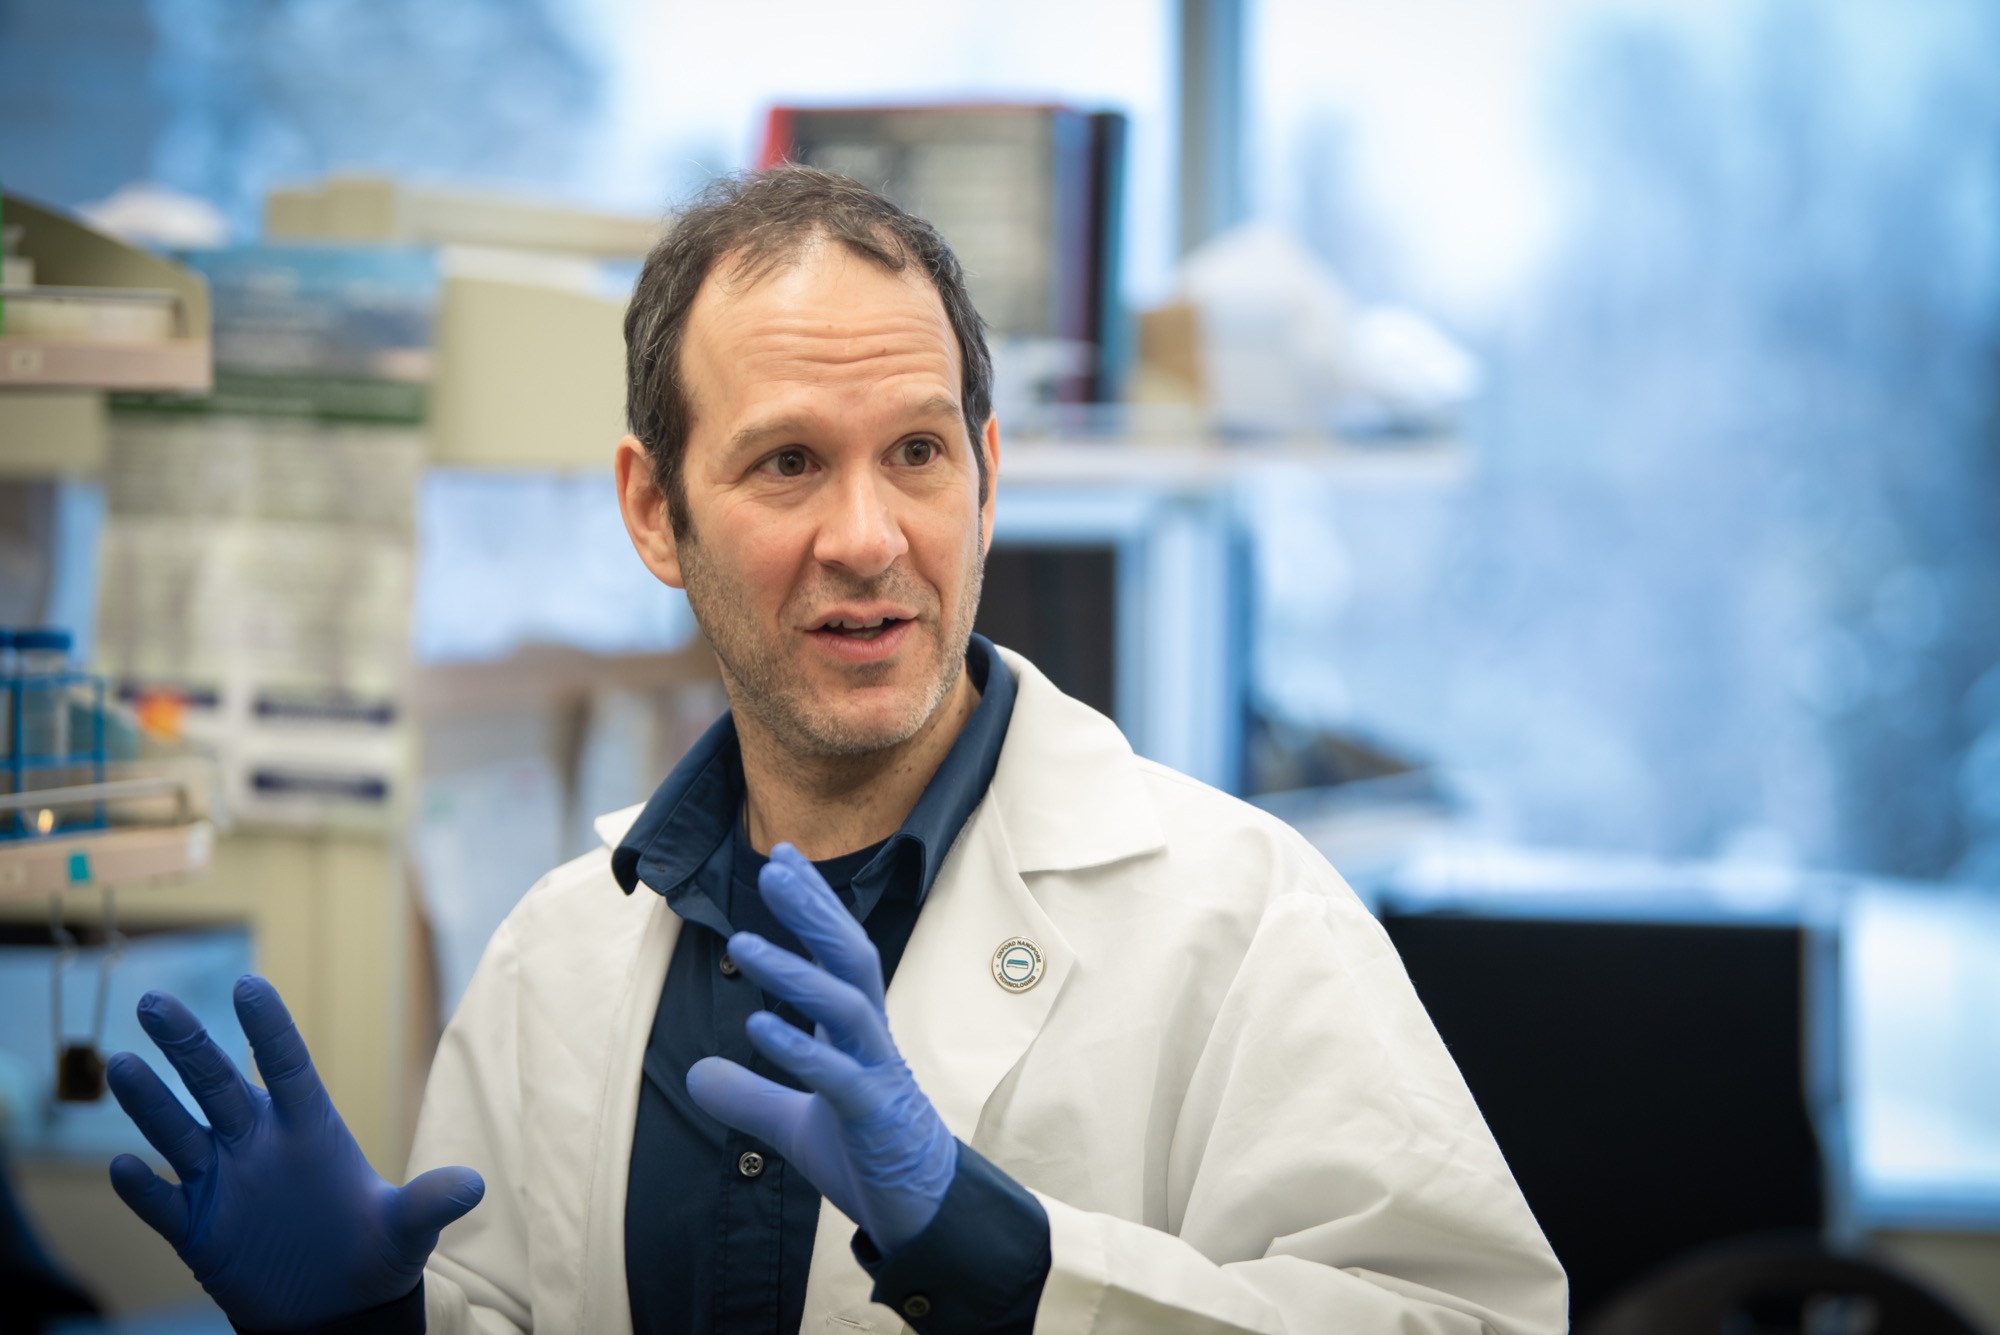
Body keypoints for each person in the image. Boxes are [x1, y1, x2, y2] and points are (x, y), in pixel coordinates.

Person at [104, 167, 1567, 1334]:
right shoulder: (560, 954)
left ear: (988, 481)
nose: (869, 539)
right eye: (789, 461)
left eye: (920, 454)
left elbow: (1463, 1320)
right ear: (654, 511)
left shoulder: (1242, 914)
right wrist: (366, 1328)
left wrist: (991, 1256)